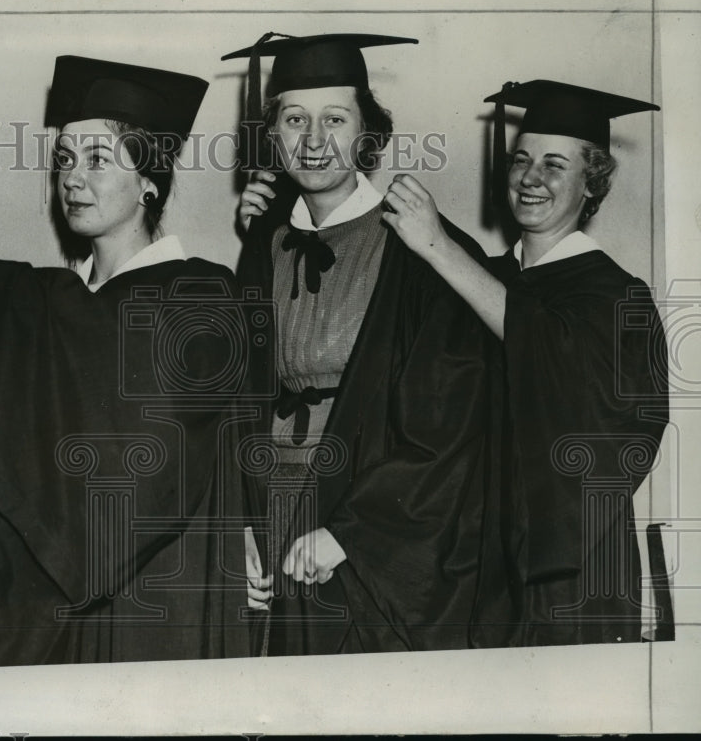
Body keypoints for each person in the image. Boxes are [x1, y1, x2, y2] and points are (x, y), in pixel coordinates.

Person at [0, 55, 252, 667]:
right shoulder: (47, 305)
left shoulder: (200, 293)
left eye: (99, 159)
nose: (74, 178)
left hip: (159, 601)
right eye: (66, 160)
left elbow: (139, 421)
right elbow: (22, 467)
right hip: (54, 605)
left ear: (149, 179)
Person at [222, 33, 505, 654]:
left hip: (365, 520)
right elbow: (229, 398)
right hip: (267, 506)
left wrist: (351, 533)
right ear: (273, 134)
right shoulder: (262, 243)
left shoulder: (422, 248)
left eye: (335, 119)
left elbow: (449, 422)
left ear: (368, 133)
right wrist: (233, 524)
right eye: (295, 119)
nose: (315, 140)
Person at [381, 79, 670, 646]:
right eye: (521, 160)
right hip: (475, 557)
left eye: (555, 165)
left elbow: (558, 367)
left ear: (593, 184)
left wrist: (438, 246)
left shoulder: (615, 295)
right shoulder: (488, 279)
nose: (531, 178)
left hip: (570, 567)